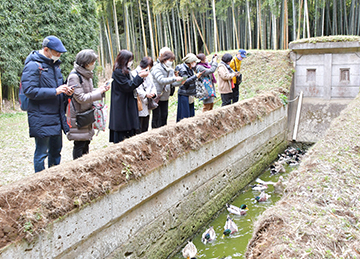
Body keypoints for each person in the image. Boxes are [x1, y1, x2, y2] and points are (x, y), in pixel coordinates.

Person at [21, 35, 73, 173]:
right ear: (46, 50)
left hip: (56, 115)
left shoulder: (55, 66)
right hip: (41, 117)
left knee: (56, 152)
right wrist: (55, 91)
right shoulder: (33, 66)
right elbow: (29, 91)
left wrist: (65, 91)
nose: (59, 55)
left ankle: (54, 178)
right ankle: (39, 181)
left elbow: (57, 87)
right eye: (57, 53)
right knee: (41, 153)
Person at [66, 49, 110, 159]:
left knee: (86, 143)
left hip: (87, 113)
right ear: (86, 63)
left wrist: (100, 89)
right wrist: (98, 93)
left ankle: (85, 165)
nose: (94, 64)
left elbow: (87, 91)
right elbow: (80, 97)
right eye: (93, 62)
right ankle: (77, 167)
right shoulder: (74, 77)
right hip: (79, 115)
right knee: (79, 144)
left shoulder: (86, 74)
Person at [109, 50, 149, 143]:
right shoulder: (118, 72)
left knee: (130, 127)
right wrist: (139, 77)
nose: (131, 62)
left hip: (128, 102)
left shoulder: (126, 71)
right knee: (123, 130)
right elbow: (128, 86)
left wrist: (139, 76)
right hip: (121, 105)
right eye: (130, 60)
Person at [151, 50, 183, 128]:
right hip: (157, 96)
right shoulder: (157, 68)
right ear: (164, 59)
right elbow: (161, 80)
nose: (171, 62)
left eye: (172, 61)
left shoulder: (170, 69)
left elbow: (172, 83)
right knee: (157, 117)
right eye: (170, 60)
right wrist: (175, 78)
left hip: (165, 96)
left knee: (164, 116)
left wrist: (181, 82)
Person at [176, 53, 204, 122]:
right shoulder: (182, 69)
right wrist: (195, 76)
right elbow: (184, 82)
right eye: (194, 62)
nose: (195, 64)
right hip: (184, 94)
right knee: (184, 115)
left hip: (189, 93)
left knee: (191, 114)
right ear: (190, 62)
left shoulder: (190, 69)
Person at [133, 57, 157, 133]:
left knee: (146, 124)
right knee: (139, 125)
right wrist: (145, 94)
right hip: (139, 102)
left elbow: (153, 85)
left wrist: (153, 93)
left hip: (148, 102)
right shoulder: (134, 74)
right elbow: (135, 88)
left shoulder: (149, 74)